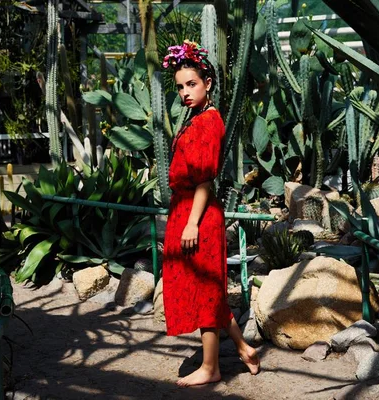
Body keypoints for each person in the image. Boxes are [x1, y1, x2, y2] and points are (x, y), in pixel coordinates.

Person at [161, 40, 260, 387]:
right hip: (186, 210)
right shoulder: (198, 118)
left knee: (205, 290)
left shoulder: (207, 123)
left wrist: (191, 223)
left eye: (192, 84)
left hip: (197, 214)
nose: (185, 92)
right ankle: (244, 349)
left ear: (208, 83)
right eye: (180, 87)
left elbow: (205, 180)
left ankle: (211, 368)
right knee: (210, 290)